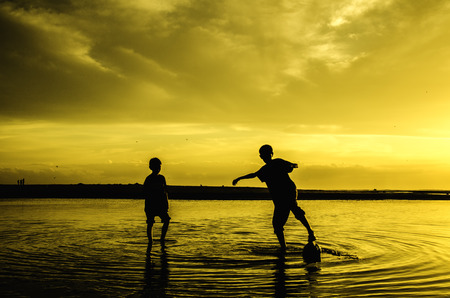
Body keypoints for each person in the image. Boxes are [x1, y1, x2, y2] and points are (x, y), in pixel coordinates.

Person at [233, 145, 316, 251]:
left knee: (294, 208)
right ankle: (283, 247)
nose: (265, 157)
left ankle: (310, 232)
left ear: (271, 154)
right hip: (278, 198)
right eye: (263, 155)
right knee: (277, 225)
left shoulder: (278, 162)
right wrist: (239, 178)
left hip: (288, 191)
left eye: (267, 154)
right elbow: (254, 175)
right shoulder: (265, 169)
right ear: (260, 156)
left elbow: (295, 165)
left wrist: (291, 166)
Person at [143, 157, 170, 245]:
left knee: (166, 220)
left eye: (159, 167)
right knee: (150, 223)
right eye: (156, 167)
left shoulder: (162, 178)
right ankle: (150, 241)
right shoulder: (149, 179)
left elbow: (165, 192)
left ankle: (162, 239)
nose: (158, 169)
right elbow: (146, 193)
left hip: (161, 205)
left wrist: (166, 205)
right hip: (151, 204)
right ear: (151, 167)